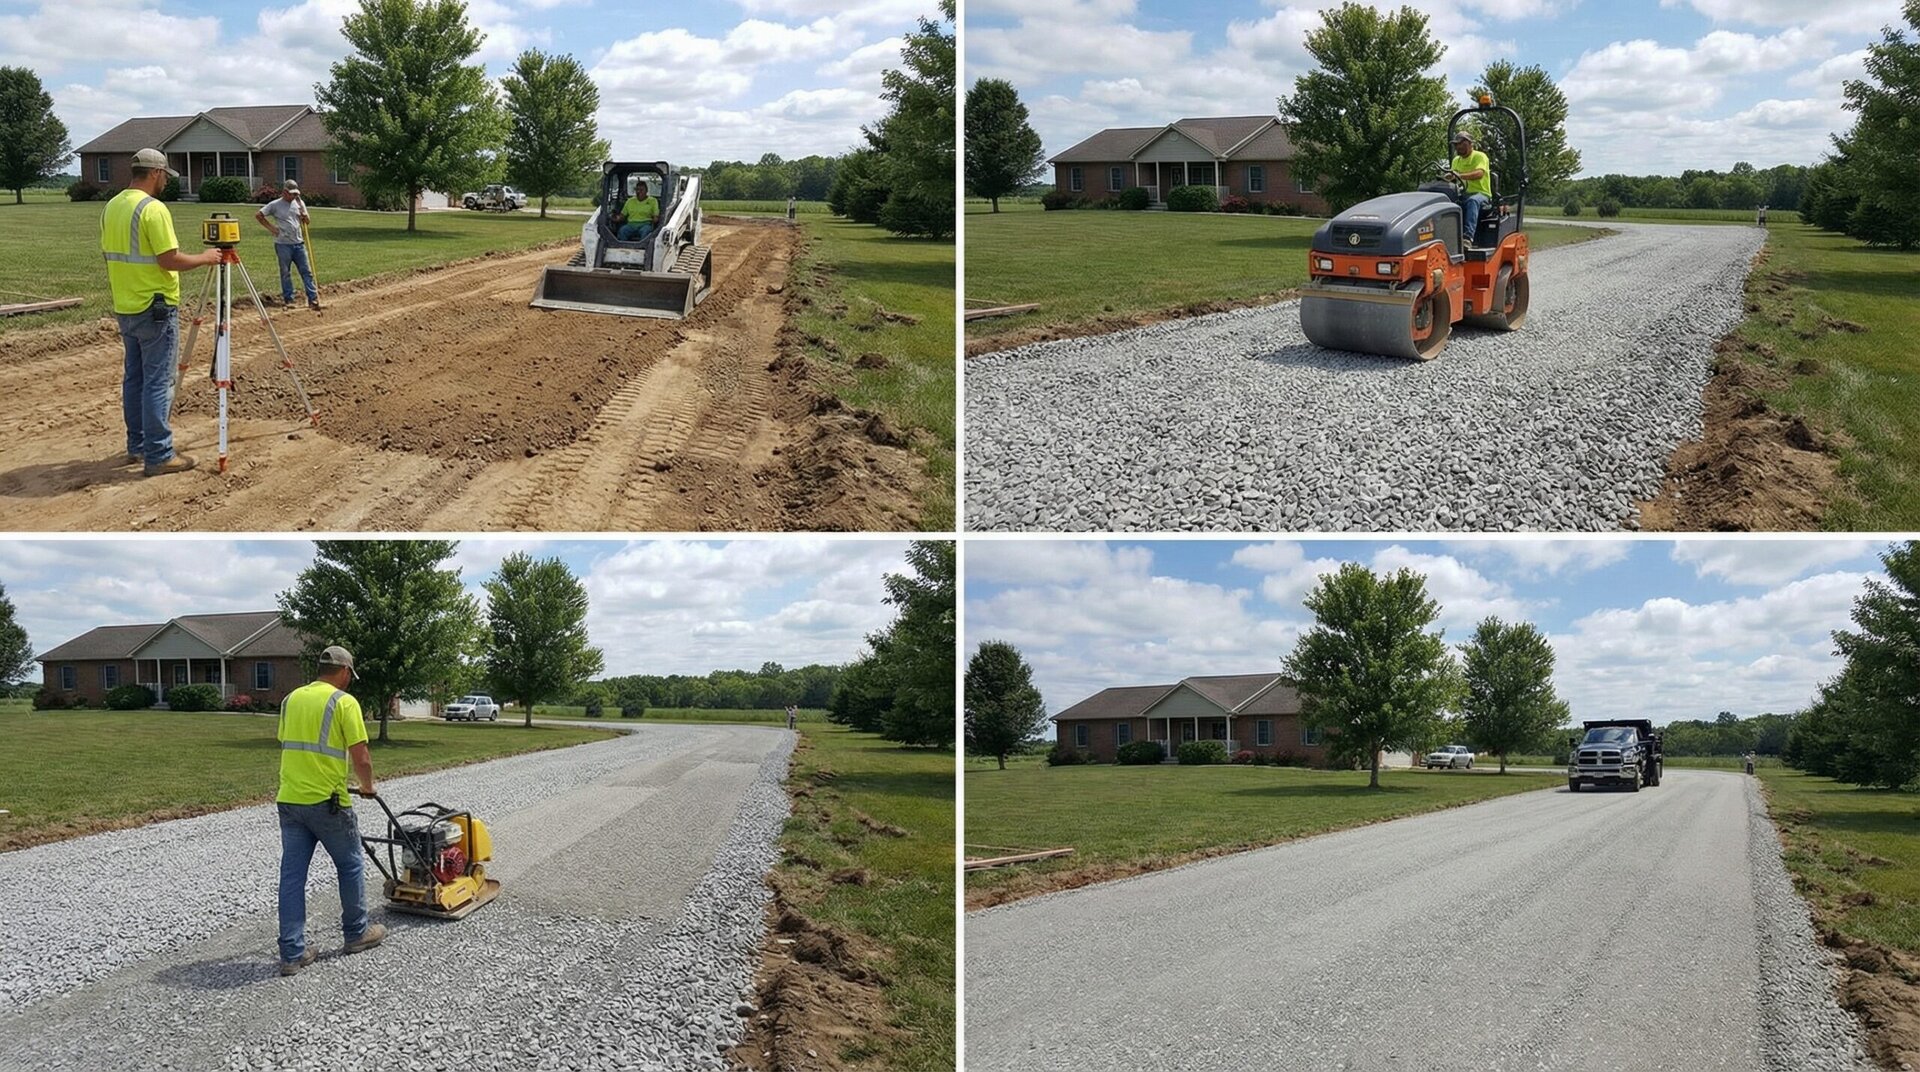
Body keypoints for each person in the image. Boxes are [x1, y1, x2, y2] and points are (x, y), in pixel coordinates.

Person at [99, 148, 225, 477]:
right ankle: (159, 455)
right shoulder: (152, 209)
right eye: (165, 176)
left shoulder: (111, 207)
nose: (166, 182)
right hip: (155, 306)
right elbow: (169, 259)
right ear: (155, 173)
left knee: (135, 378)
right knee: (158, 382)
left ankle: (137, 445)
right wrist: (207, 258)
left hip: (126, 305)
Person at [276, 644, 386, 976]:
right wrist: (367, 786)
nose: (350, 681)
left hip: (290, 801)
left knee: (292, 877)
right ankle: (356, 934)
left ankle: (292, 954)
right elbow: (362, 757)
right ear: (344, 672)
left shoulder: (290, 699)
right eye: (350, 675)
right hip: (329, 802)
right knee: (350, 865)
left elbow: (290, 742)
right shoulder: (343, 702)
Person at [256, 181, 320, 310]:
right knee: (285, 273)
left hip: (299, 244)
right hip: (283, 245)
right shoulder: (275, 205)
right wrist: (272, 228)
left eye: (296, 193)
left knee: (306, 272)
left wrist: (304, 216)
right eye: (291, 194)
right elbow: (259, 215)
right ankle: (289, 299)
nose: (294, 196)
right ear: (284, 192)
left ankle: (313, 298)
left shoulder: (299, 203)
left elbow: (307, 222)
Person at [1447, 131, 1493, 246]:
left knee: (1472, 201)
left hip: (1481, 195)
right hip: (1463, 193)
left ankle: (1468, 238)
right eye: (1456, 145)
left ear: (1469, 143)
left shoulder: (1480, 156)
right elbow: (1452, 177)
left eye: (1460, 144)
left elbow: (1479, 174)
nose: (1458, 147)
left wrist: (1459, 175)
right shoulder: (1456, 160)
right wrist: (1447, 178)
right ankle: (1448, 236)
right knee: (1447, 201)